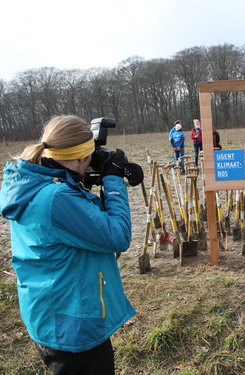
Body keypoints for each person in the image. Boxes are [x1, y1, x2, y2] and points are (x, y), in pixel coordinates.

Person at [0, 115, 142, 375]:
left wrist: (82, 177)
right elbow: (118, 236)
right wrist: (112, 180)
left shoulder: (33, 182)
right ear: (79, 159)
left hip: (53, 311)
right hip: (72, 324)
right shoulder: (56, 198)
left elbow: (80, 226)